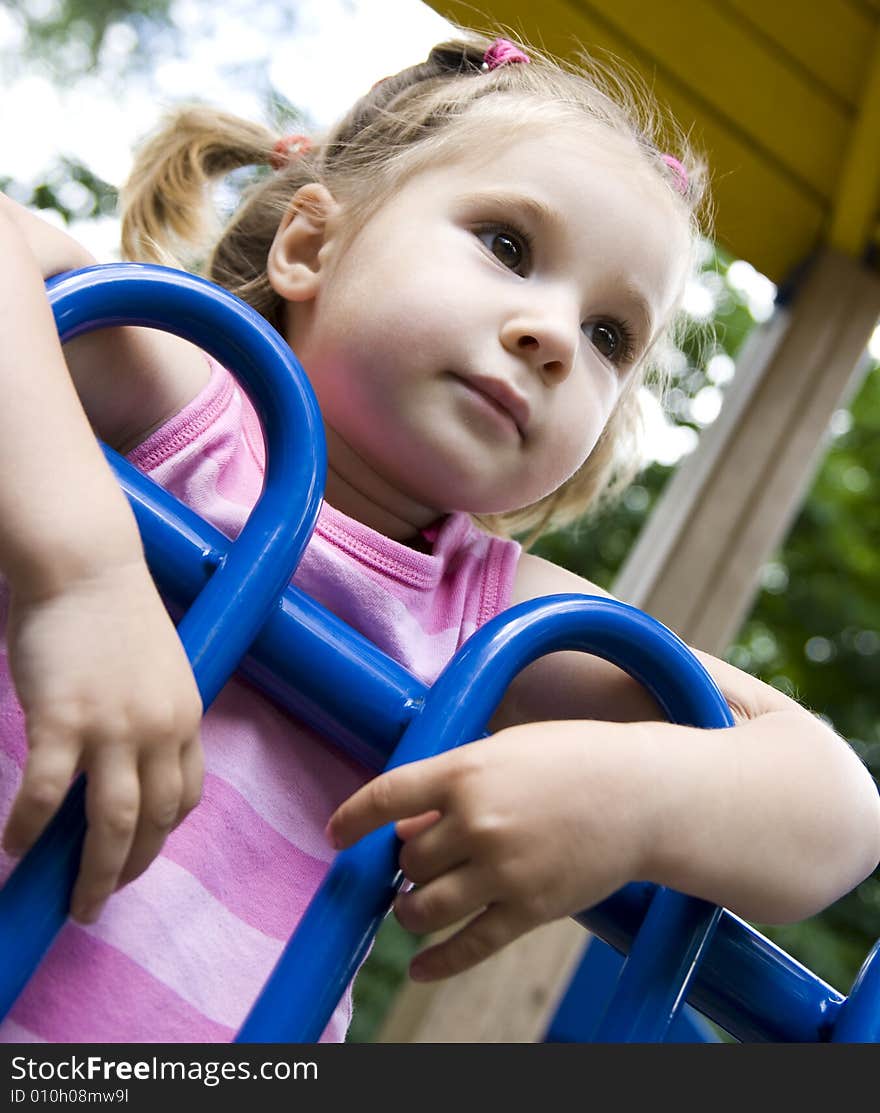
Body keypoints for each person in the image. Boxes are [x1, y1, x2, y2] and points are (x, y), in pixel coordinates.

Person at [1, 29, 878, 1043]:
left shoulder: (488, 615)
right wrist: (81, 570)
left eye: (609, 337)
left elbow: (835, 807)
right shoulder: (180, 403)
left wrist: (628, 796)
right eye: (507, 246)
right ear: (311, 245)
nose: (551, 336)